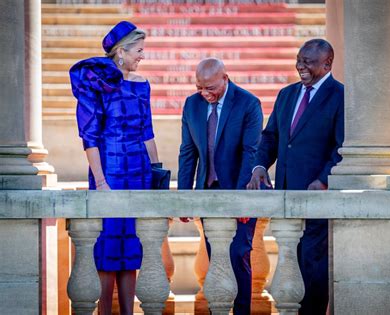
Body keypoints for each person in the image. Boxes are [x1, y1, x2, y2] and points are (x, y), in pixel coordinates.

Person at [247, 39, 344, 314]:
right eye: (299, 60)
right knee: (293, 259)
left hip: (317, 197)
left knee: (313, 263)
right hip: (286, 195)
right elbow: (270, 138)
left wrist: (324, 179)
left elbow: (342, 146)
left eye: (308, 62)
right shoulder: (287, 94)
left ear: (327, 64)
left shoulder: (340, 96)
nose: (300, 66)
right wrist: (259, 167)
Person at [70, 21, 160, 315]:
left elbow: (148, 131)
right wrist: (100, 182)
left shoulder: (143, 85)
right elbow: (90, 136)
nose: (142, 56)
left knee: (131, 246)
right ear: (120, 52)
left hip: (138, 172)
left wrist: (157, 172)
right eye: (138, 50)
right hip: (107, 169)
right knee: (107, 246)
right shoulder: (95, 82)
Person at [178, 58, 263, 314]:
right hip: (207, 191)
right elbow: (187, 152)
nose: (205, 94)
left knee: (238, 254)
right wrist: (184, 198)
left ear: (225, 77)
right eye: (199, 88)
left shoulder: (248, 103)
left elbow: (251, 152)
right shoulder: (192, 105)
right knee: (216, 256)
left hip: (241, 189)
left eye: (211, 88)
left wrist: (241, 200)